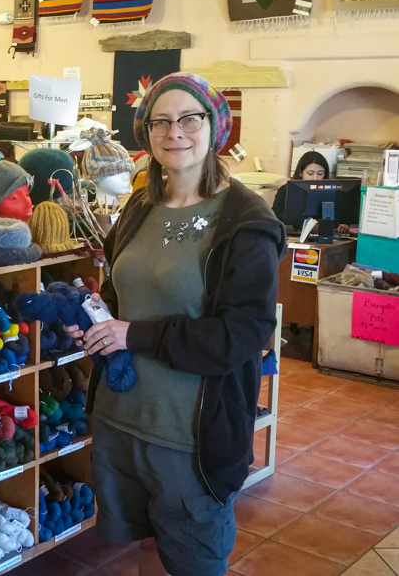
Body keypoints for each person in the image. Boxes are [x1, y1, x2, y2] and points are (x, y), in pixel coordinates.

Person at [80, 73, 286, 576]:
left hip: (187, 438)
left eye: (189, 118)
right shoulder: (139, 206)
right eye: (161, 121)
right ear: (145, 133)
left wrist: (136, 334)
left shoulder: (245, 222)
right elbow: (120, 293)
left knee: (194, 561)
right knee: (144, 549)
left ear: (215, 127)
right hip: (120, 421)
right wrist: (98, 319)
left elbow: (241, 335)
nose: (176, 132)